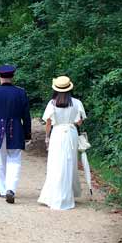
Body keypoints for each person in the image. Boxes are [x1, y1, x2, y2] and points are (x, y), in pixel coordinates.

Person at [0, 64, 32, 203]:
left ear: (0, 77)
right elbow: (26, 116)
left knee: (1, 161)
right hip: (16, 130)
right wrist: (27, 133)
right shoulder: (21, 92)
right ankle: (11, 189)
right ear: (12, 77)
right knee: (14, 160)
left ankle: (3, 190)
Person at [38, 76, 87, 211]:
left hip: (58, 133)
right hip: (71, 133)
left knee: (56, 163)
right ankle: (67, 194)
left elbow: (48, 122)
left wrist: (47, 137)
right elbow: (79, 121)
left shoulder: (52, 103)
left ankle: (53, 195)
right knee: (69, 162)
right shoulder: (77, 103)